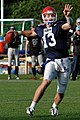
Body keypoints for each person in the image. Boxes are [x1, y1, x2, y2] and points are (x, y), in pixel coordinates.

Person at [21, 4, 73, 116]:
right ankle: (31, 107)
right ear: (43, 16)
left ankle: (54, 107)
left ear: (55, 16)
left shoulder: (59, 24)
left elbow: (69, 25)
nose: (49, 17)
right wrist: (19, 33)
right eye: (47, 15)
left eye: (51, 15)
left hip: (64, 61)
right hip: (51, 61)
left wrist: (68, 16)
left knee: (61, 90)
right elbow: (31, 33)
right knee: (45, 82)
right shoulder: (40, 28)